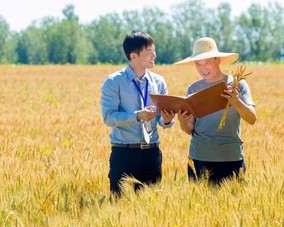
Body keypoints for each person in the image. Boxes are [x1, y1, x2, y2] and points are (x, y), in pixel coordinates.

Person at [101, 30, 175, 196]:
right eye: (149, 53)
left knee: (152, 211)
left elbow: (163, 122)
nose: (154, 56)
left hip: (152, 154)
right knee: (119, 209)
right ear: (133, 56)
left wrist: (167, 120)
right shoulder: (113, 81)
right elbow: (108, 117)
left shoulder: (159, 82)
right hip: (124, 155)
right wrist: (137, 115)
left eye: (154, 51)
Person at [175, 37, 257, 184]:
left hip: (231, 158)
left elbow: (252, 119)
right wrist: (183, 122)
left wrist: (236, 102)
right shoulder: (193, 89)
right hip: (198, 159)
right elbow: (190, 130)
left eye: (207, 62)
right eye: (198, 64)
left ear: (218, 59)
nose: (202, 68)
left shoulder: (237, 84)